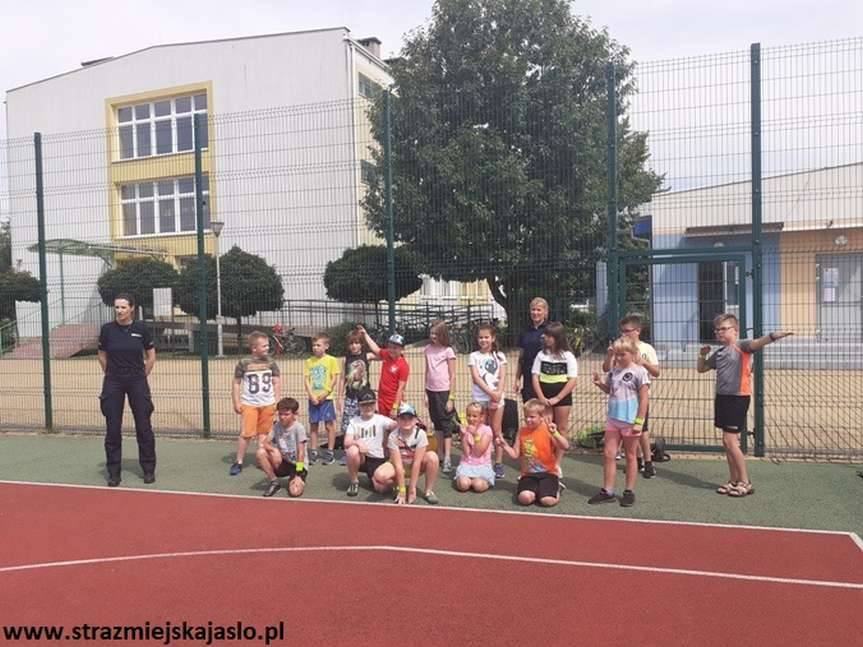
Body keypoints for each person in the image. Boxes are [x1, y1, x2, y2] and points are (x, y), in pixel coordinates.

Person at [697, 314, 793, 497]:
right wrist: (702, 355)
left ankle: (745, 482)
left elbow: (758, 343)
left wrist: (774, 336)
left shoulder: (741, 346)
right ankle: (733, 480)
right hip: (722, 398)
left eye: (723, 329)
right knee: (727, 443)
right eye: (717, 330)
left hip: (738, 398)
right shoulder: (719, 353)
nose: (719, 332)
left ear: (735, 330)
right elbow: (701, 369)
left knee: (730, 441)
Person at [97, 293, 157, 487]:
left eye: (123, 307)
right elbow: (101, 355)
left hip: (137, 380)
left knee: (143, 426)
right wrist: (111, 374)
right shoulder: (107, 330)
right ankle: (114, 473)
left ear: (132, 308)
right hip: (113, 381)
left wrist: (141, 375)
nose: (119, 311)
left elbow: (151, 356)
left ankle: (148, 470)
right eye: (117, 307)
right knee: (113, 428)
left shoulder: (141, 329)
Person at [589, 337, 650, 507]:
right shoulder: (613, 371)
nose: (619, 358)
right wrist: (599, 384)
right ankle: (607, 491)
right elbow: (611, 390)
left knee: (630, 456)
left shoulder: (639, 372)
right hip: (613, 420)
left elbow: (644, 399)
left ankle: (629, 491)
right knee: (609, 454)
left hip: (630, 421)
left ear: (632, 353)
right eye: (616, 354)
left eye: (623, 354)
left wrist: (639, 421)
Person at [603, 314, 661, 478]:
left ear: (638, 331)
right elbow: (607, 369)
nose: (624, 334)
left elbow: (656, 372)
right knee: (629, 432)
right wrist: (610, 356)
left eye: (628, 331)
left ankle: (649, 462)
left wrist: (644, 363)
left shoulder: (647, 349)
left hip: (638, 397)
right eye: (622, 331)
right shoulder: (619, 348)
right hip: (621, 398)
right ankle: (637, 460)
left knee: (642, 429)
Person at [496, 398, 570, 507]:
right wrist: (504, 445)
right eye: (526, 416)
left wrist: (555, 433)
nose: (528, 419)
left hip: (548, 473)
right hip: (528, 475)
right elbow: (515, 454)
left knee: (547, 501)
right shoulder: (522, 431)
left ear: (541, 417)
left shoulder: (548, 430)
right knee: (525, 499)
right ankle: (535, 489)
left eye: (532, 417)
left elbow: (565, 446)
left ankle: (556, 488)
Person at [231, 331, 281, 475]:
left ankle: (261, 458)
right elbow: (236, 383)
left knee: (264, 433)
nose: (267, 348)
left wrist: (277, 401)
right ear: (254, 348)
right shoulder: (244, 363)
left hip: (268, 403)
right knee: (246, 434)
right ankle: (239, 461)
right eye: (264, 346)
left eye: (267, 345)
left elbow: (276, 382)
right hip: (249, 404)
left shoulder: (271, 362)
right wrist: (236, 401)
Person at [530, 322, 578, 466]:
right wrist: (541, 398)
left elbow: (572, 380)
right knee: (544, 428)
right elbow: (535, 376)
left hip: (562, 398)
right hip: (544, 397)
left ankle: (556, 463)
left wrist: (558, 398)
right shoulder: (541, 355)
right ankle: (545, 459)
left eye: (550, 336)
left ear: (558, 338)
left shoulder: (568, 356)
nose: (546, 338)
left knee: (560, 429)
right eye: (546, 335)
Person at [468, 324, 507, 479]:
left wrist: (497, 395)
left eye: (486, 337)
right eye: (480, 337)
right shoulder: (474, 356)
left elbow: (502, 377)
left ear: (493, 338)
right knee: (479, 430)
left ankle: (498, 462)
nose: (483, 340)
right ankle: (481, 461)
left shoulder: (500, 356)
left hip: (497, 399)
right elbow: (476, 378)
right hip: (480, 399)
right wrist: (491, 393)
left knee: (496, 431)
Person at [343, 388, 398, 497]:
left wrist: (404, 420)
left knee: (381, 489)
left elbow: (395, 425)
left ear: (375, 404)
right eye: (364, 405)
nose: (368, 407)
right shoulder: (354, 422)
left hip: (377, 459)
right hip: (362, 458)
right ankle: (354, 482)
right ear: (359, 406)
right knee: (352, 451)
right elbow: (347, 442)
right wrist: (358, 443)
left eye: (371, 404)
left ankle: (380, 479)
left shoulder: (381, 419)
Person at [383, 403, 440, 504]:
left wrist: (412, 488)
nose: (406, 421)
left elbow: (417, 463)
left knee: (433, 457)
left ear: (416, 420)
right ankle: (397, 486)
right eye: (403, 418)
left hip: (415, 464)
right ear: (397, 420)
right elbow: (398, 465)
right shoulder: (393, 436)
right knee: (380, 476)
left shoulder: (421, 434)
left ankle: (428, 491)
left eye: (410, 418)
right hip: (400, 466)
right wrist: (402, 490)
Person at [257, 397, 308, 497]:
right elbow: (265, 443)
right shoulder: (277, 426)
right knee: (260, 452)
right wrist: (273, 450)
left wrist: (299, 473)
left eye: (286, 414)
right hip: (283, 462)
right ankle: (274, 482)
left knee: (295, 492)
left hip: (297, 465)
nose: (282, 417)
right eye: (280, 414)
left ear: (294, 414)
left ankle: (296, 479)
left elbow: (301, 453)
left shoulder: (299, 428)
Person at [424, 320, 457, 474]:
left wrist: (451, 397)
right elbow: (427, 371)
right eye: (431, 333)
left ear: (443, 335)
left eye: (436, 334)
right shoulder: (427, 349)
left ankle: (448, 457)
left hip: (444, 391)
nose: (433, 337)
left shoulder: (448, 351)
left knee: (446, 424)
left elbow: (453, 375)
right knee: (436, 422)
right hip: (431, 391)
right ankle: (440, 453)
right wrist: (425, 392)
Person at [337, 329, 374, 465]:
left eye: (357, 343)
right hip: (350, 397)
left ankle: (366, 452)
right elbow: (343, 379)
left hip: (364, 398)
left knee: (365, 424)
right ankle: (348, 452)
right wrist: (339, 397)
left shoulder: (367, 356)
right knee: (347, 425)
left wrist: (366, 335)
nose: (354, 346)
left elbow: (380, 353)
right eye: (351, 343)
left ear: (362, 344)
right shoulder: (345, 359)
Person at [356, 325, 410, 418]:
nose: (392, 350)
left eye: (395, 348)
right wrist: (365, 334)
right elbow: (376, 349)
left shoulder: (403, 366)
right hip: (382, 398)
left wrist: (395, 407)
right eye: (390, 347)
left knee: (394, 422)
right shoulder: (387, 355)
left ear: (402, 349)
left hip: (393, 400)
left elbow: (401, 389)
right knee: (383, 422)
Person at [304, 333, 341, 465]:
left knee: (329, 425)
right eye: (314, 345)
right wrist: (311, 395)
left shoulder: (331, 360)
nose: (315, 348)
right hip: (313, 399)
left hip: (327, 399)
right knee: (313, 425)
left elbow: (334, 378)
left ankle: (330, 452)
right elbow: (307, 380)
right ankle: (313, 451)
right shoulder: (309, 361)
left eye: (318, 345)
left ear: (326, 346)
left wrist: (326, 393)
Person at [454, 402, 495, 493]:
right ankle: (467, 480)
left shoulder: (487, 430)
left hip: (482, 465)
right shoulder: (466, 429)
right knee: (463, 485)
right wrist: (463, 436)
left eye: (474, 416)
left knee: (478, 485)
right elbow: (466, 453)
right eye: (468, 415)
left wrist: (475, 435)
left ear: (481, 417)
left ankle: (486, 481)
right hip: (467, 464)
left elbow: (478, 453)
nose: (471, 419)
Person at [514, 297, 549, 402]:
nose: (535, 313)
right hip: (528, 374)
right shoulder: (525, 331)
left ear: (545, 312)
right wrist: (517, 378)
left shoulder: (550, 329)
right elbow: (521, 357)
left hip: (545, 375)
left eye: (539, 310)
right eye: (533, 309)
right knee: (530, 406)